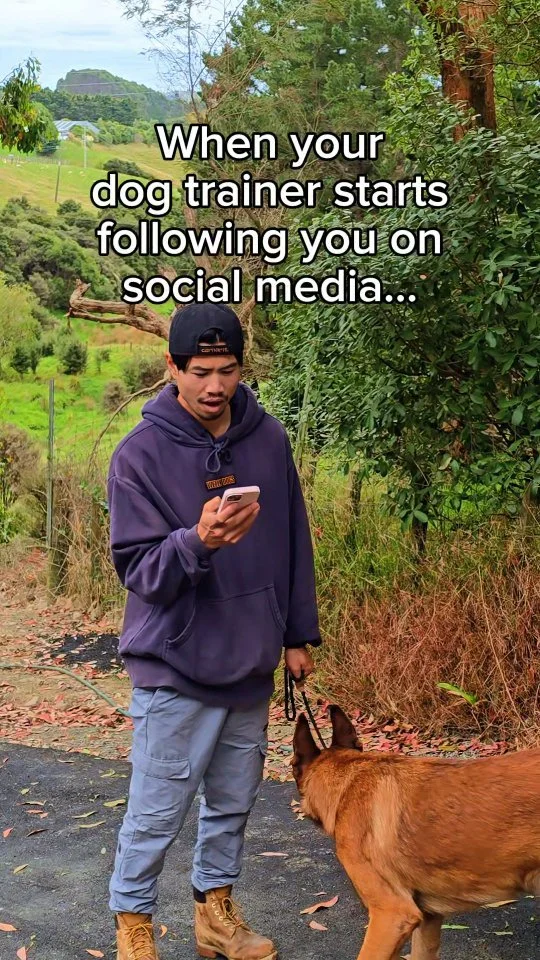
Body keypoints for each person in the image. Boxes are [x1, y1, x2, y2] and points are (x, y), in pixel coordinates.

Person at [107, 302, 321, 960]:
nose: (215, 386)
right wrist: (197, 540)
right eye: (200, 372)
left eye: (227, 370)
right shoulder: (139, 455)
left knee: (232, 803)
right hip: (175, 665)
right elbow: (140, 570)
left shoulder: (268, 438)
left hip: (250, 659)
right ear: (172, 367)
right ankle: (134, 928)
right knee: (156, 812)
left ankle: (215, 917)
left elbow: (293, 541)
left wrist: (296, 634)